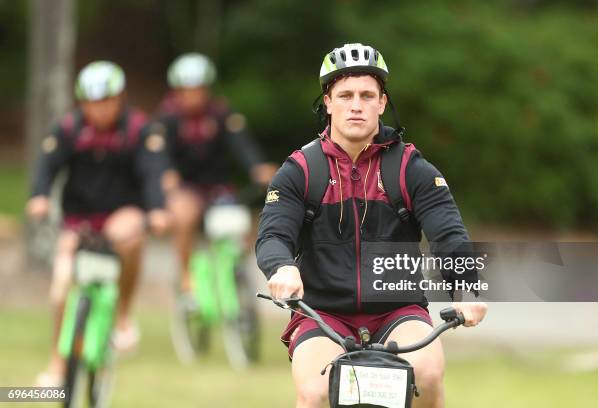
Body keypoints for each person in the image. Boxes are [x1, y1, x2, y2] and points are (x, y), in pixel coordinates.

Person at [256, 43, 488, 408]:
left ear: (382, 103)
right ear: (328, 102)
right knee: (316, 393)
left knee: (426, 375)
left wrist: (467, 289)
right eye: (345, 95)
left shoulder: (411, 169)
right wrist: (282, 267)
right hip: (323, 313)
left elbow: (449, 236)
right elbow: (273, 235)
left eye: (367, 95)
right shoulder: (301, 170)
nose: (356, 104)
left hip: (398, 310)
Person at [27, 60, 171, 386]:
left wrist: (158, 209)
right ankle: (57, 364)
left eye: (105, 101)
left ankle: (122, 316)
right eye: (92, 102)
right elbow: (46, 166)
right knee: (60, 286)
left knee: (130, 236)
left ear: (119, 98)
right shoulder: (68, 129)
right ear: (82, 102)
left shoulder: (138, 129)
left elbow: (153, 172)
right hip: (78, 220)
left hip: (123, 212)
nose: (99, 109)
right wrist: (39, 196)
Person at [154, 52, 276, 293]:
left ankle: (237, 276)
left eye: (198, 89)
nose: (193, 95)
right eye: (187, 90)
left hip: (218, 188)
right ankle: (185, 274)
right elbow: (156, 154)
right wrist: (166, 173)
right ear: (177, 91)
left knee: (240, 226)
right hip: (185, 189)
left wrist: (257, 166)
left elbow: (242, 143)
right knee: (183, 215)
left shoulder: (221, 114)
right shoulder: (166, 119)